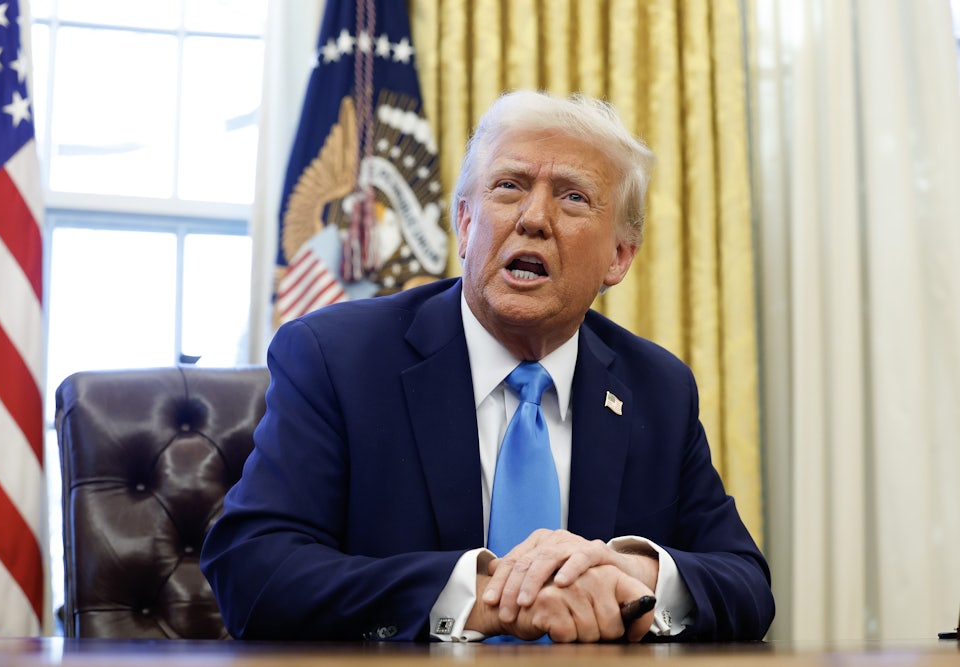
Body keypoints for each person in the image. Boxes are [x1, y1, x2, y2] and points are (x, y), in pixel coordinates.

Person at [201, 90, 774, 643]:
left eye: (573, 197)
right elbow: (253, 567)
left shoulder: (658, 389)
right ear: (466, 223)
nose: (534, 218)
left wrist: (632, 576)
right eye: (509, 186)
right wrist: (486, 597)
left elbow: (747, 583)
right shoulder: (337, 358)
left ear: (619, 257)